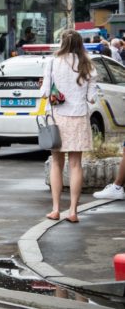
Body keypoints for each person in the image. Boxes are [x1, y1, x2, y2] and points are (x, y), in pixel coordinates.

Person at [39, 29, 97, 223]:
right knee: (75, 165)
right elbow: (92, 98)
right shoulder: (88, 66)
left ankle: (55, 209)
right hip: (79, 117)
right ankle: (73, 211)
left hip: (57, 117)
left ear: (62, 43)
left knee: (56, 162)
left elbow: (44, 93)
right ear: (80, 44)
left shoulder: (52, 63)